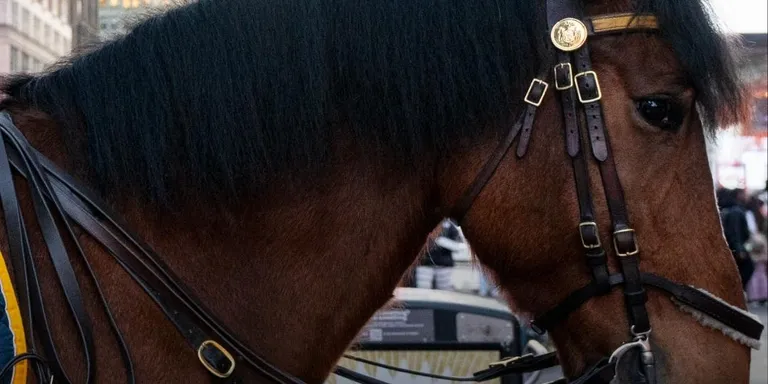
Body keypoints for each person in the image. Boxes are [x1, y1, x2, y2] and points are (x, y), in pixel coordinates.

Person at [415, 220, 466, 290]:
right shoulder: (423, 222)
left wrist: (444, 242)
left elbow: (461, 246)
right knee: (423, 290)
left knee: (444, 291)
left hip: (444, 264)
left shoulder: (450, 225)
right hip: (425, 263)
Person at [719, 188, 755, 290]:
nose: (746, 196)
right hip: (737, 249)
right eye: (744, 194)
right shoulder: (736, 211)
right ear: (739, 195)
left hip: (734, 248)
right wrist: (739, 250)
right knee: (748, 268)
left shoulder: (732, 209)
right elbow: (735, 232)